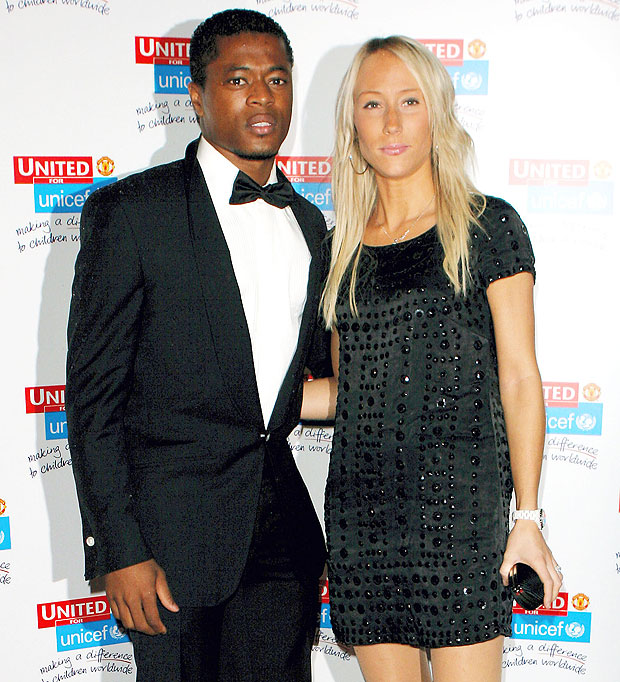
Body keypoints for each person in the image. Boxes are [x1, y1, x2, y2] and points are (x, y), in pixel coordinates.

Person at [66, 9, 330, 681]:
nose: (262, 98)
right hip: (167, 546)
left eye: (277, 79)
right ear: (195, 92)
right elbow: (94, 400)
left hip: (281, 544)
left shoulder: (309, 224)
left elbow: (301, 381)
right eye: (238, 79)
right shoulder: (132, 213)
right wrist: (118, 548)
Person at [301, 36, 562, 682]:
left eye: (409, 102)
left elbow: (521, 378)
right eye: (372, 104)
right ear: (351, 125)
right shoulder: (338, 253)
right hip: (363, 523)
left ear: (436, 115)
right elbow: (351, 393)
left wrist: (526, 517)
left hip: (460, 518)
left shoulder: (487, 228)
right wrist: (215, 395)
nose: (391, 123)